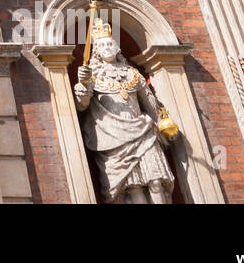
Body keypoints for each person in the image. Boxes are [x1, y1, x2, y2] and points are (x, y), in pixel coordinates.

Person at [73, 19, 176, 203]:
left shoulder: (133, 73)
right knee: (132, 186)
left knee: (156, 181)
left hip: (143, 130)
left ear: (116, 47)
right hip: (113, 137)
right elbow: (82, 105)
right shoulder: (92, 75)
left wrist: (162, 124)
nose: (106, 47)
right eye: (102, 44)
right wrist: (82, 86)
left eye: (109, 43)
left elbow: (149, 101)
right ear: (96, 50)